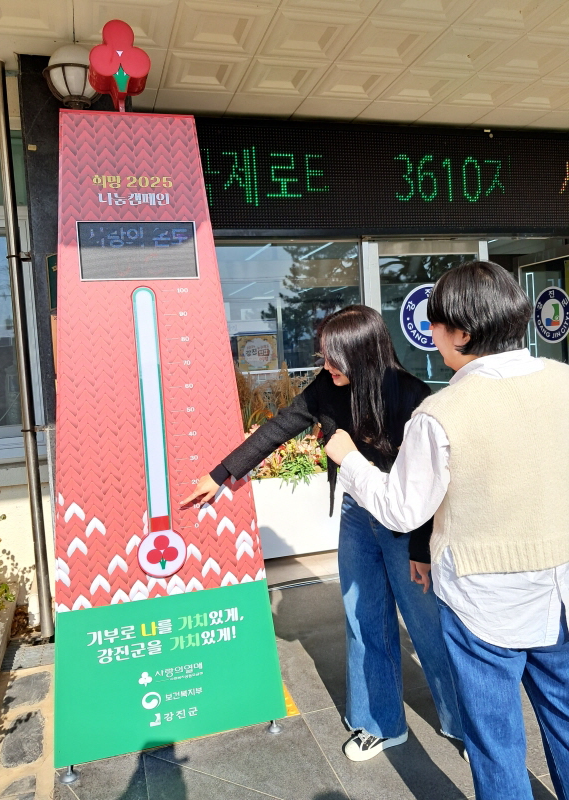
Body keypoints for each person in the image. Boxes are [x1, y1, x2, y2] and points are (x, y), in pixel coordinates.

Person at [325, 262, 569, 799]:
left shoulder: (441, 412)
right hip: (560, 591)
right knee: (564, 720)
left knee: (494, 740)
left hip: (484, 601)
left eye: (434, 325)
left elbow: (400, 509)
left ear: (462, 332)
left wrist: (350, 460)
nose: (431, 336)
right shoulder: (563, 381)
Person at [181, 305, 463, 761]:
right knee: (362, 619)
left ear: (362, 354)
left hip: (406, 526)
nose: (326, 365)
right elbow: (279, 427)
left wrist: (420, 549)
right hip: (357, 516)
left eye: (335, 357)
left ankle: (465, 724)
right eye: (324, 356)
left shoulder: (412, 395)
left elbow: (425, 487)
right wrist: (220, 474)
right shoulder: (326, 388)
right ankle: (379, 723)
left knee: (427, 626)